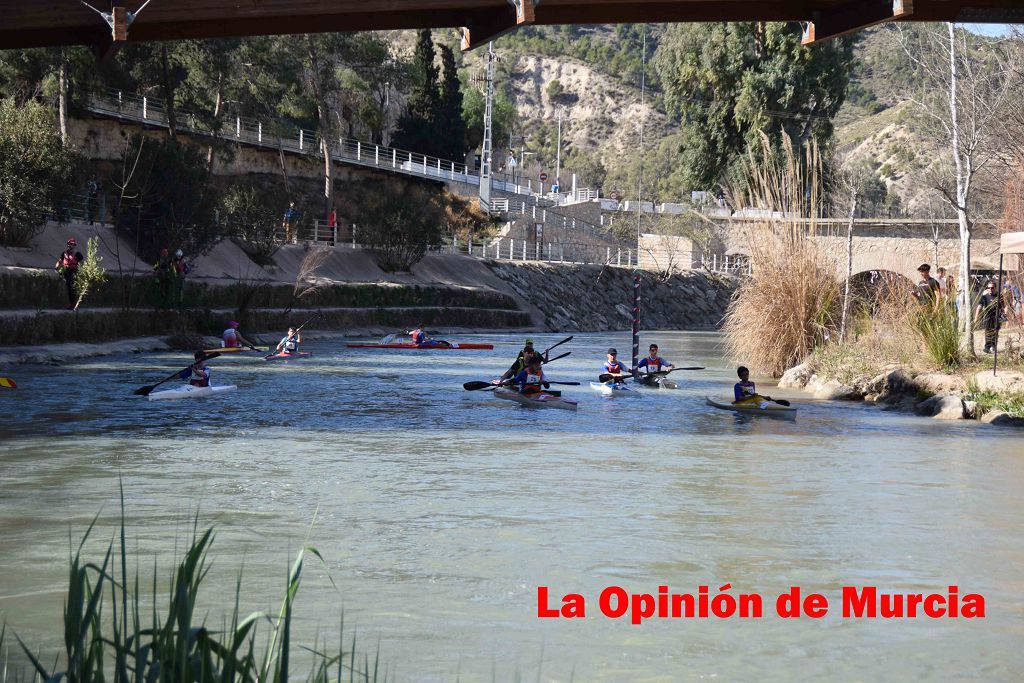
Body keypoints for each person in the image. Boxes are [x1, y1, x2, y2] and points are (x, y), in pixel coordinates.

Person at [54, 237, 83, 309]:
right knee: (66, 284)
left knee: (71, 287)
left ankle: (73, 304)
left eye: (72, 244)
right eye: (69, 244)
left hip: (73, 271)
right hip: (65, 270)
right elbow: (60, 261)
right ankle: (69, 302)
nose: (70, 246)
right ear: (67, 245)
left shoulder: (78, 254)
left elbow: (82, 263)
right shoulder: (64, 253)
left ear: (74, 245)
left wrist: (80, 271)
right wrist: (57, 266)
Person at [975, 280, 1002, 354]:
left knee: (995, 332)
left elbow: (1004, 306)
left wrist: (1004, 314)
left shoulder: (999, 296)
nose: (990, 289)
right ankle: (987, 347)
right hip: (987, 317)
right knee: (987, 331)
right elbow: (979, 307)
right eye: (988, 288)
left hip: (997, 317)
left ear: (995, 288)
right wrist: (976, 318)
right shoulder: (984, 297)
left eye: (992, 288)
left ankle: (993, 347)